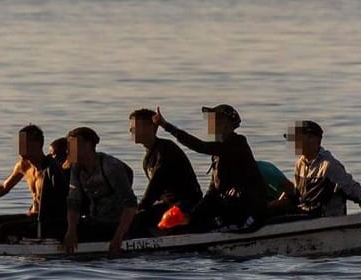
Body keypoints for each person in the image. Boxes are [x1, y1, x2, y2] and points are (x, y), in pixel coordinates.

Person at [153, 104, 265, 232]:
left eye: (216, 120)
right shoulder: (217, 153)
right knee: (190, 225)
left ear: (227, 124)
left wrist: (167, 126)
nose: (210, 124)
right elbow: (213, 191)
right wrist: (193, 215)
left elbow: (200, 146)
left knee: (211, 229)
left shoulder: (237, 143)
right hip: (230, 207)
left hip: (249, 212)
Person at [274, 120, 361, 242]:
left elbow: (360, 194)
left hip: (325, 222)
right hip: (305, 216)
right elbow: (297, 197)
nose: (292, 142)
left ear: (313, 138)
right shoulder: (300, 164)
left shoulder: (329, 165)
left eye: (296, 138)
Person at [61, 126, 139, 253]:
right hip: (95, 220)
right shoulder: (77, 168)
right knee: (57, 226)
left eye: (74, 146)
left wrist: (118, 237)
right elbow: (73, 202)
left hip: (115, 223)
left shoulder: (110, 166)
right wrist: (71, 231)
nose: (69, 151)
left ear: (88, 145)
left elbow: (130, 205)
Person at [128, 107, 202, 234]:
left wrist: (140, 208)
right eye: (131, 127)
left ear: (152, 128)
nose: (131, 130)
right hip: (167, 204)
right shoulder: (148, 158)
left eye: (136, 126)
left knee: (139, 219)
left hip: (186, 204)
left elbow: (155, 184)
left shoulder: (166, 150)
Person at [0, 124, 68, 241]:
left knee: (3, 229)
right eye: (19, 143)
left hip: (46, 220)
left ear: (37, 144)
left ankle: (2, 254)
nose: (19, 147)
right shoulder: (23, 165)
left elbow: (63, 197)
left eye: (24, 143)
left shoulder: (52, 168)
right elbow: (5, 187)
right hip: (30, 215)